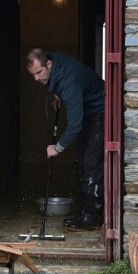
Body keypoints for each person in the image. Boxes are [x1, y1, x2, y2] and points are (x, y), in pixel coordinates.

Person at [26, 49, 105, 230]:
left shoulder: (69, 83)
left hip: (100, 112)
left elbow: (75, 125)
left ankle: (90, 217)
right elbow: (56, 83)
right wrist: (56, 95)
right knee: (82, 161)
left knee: (91, 164)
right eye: (33, 75)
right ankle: (82, 213)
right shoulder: (53, 61)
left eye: (39, 72)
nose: (36, 78)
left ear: (49, 64)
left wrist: (57, 147)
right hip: (88, 110)